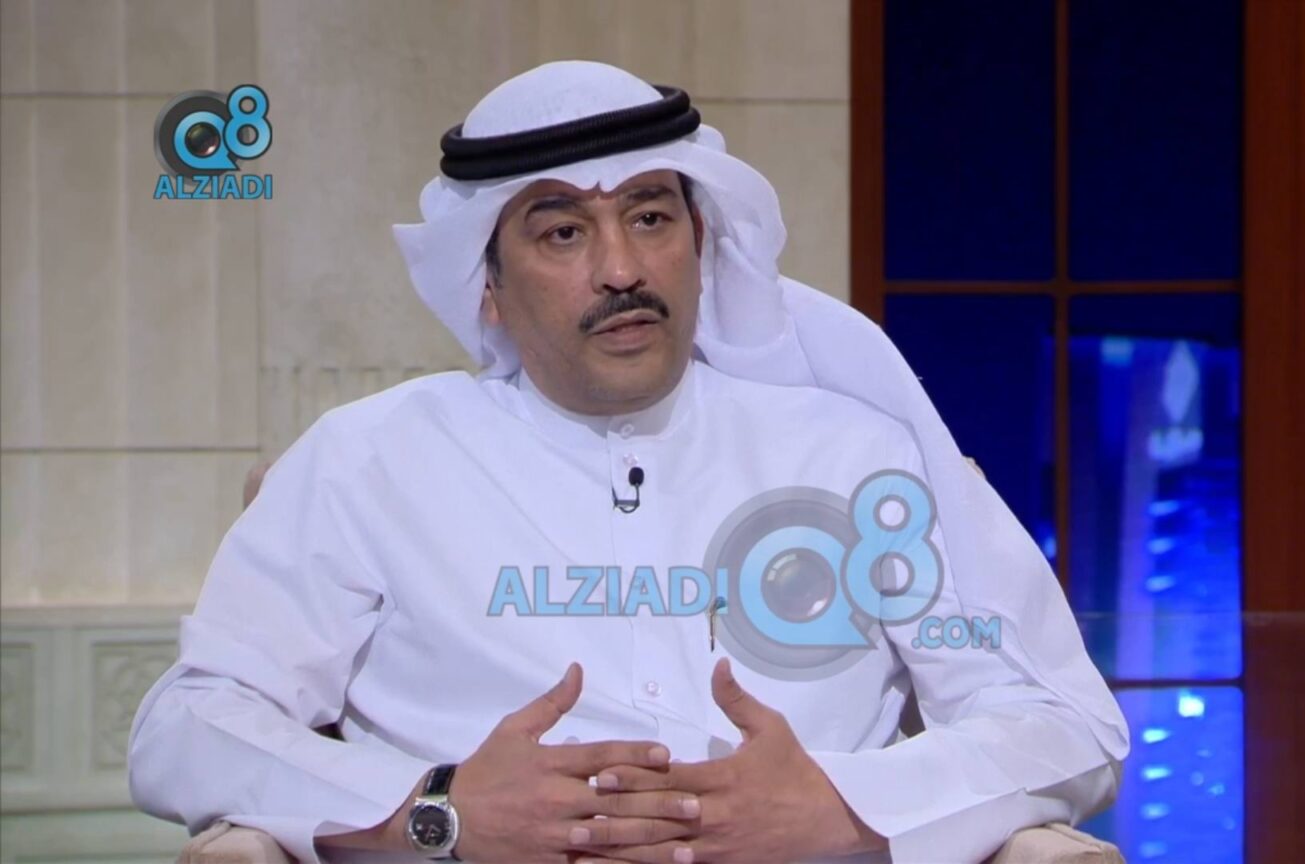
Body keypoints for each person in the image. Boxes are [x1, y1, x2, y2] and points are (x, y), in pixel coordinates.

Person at [129, 61, 1128, 864]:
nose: (621, 270)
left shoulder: (855, 456)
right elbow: (189, 726)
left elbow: (1062, 722)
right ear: (487, 287)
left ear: (701, 243)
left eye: (651, 217)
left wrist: (844, 807)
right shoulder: (369, 463)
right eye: (563, 232)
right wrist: (437, 808)